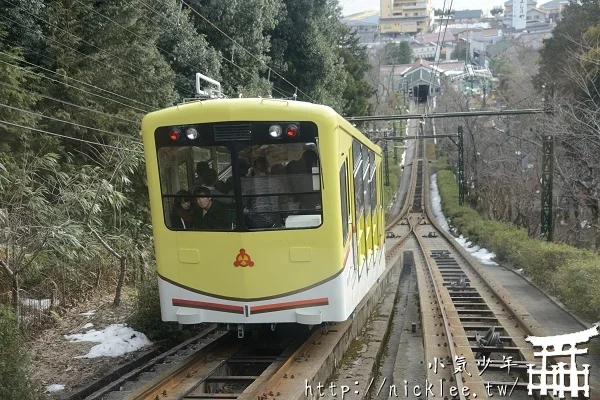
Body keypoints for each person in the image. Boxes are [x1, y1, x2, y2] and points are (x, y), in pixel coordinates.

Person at [242, 156, 284, 229]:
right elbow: (283, 199)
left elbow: (244, 203)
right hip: (273, 221)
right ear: (268, 168)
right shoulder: (277, 181)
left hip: (255, 221)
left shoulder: (250, 183)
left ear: (254, 169)